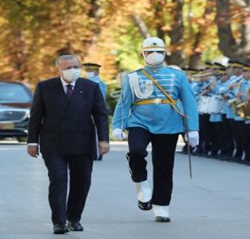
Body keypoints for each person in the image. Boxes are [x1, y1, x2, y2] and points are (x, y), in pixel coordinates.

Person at [112, 37, 199, 223]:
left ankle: (161, 206)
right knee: (136, 152)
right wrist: (118, 125)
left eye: (159, 52)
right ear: (143, 54)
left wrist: (192, 129)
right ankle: (140, 181)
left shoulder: (178, 76)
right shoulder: (132, 76)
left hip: (169, 124)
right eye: (150, 52)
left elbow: (189, 102)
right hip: (139, 122)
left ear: (164, 53)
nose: (154, 55)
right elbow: (124, 103)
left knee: (164, 166)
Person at [27, 55, 110, 234]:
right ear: (59, 70)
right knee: (58, 180)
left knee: (82, 182)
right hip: (53, 143)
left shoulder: (91, 87)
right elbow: (36, 116)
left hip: (83, 143)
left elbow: (100, 115)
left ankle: (74, 218)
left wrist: (103, 139)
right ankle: (59, 221)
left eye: (75, 66)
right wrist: (32, 142)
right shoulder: (45, 87)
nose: (73, 70)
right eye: (68, 67)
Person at [83, 62, 108, 161]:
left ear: (97, 72)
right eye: (87, 70)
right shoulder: (85, 82)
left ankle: (97, 153)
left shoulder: (98, 83)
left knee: (96, 132)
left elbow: (99, 99)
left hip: (94, 110)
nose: (88, 72)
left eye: (91, 71)